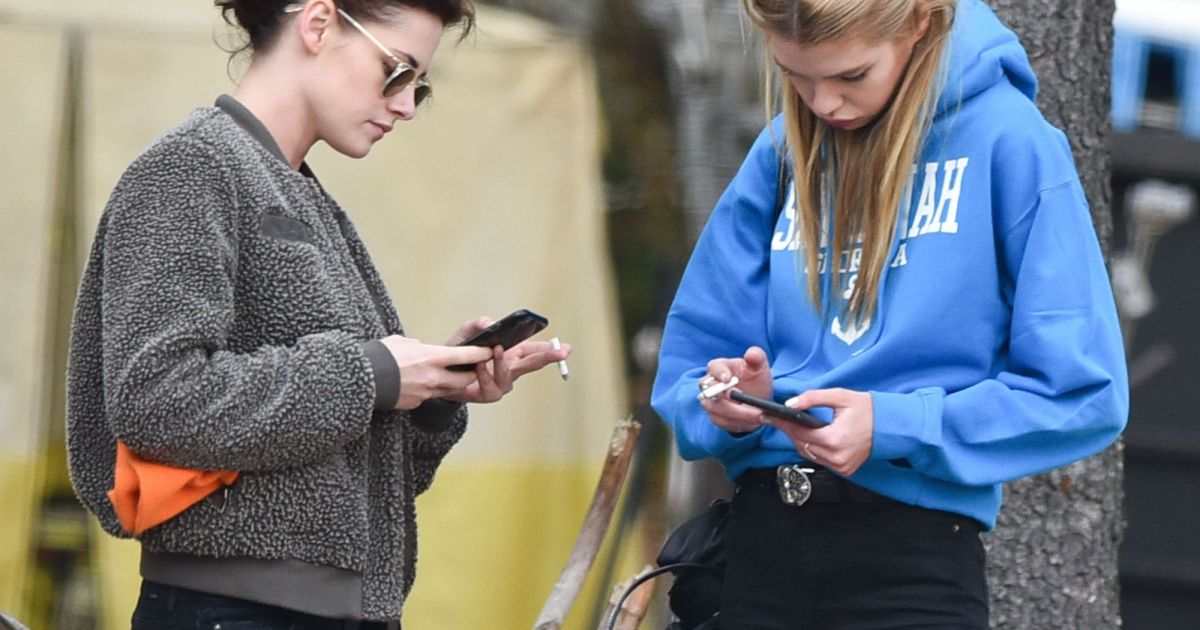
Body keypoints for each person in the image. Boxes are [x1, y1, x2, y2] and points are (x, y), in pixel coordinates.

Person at [65, 0, 570, 627]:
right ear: (319, 23)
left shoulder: (304, 196)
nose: (407, 105)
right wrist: (374, 375)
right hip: (231, 610)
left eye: (422, 86)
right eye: (397, 71)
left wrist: (433, 392)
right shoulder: (191, 167)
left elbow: (337, 472)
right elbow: (157, 402)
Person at [650, 0, 1128, 627]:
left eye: (851, 76)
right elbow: (686, 378)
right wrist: (728, 403)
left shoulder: (1012, 142)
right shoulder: (778, 153)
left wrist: (897, 425)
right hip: (756, 551)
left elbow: (1085, 392)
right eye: (794, 75)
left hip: (913, 567)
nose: (823, 104)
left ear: (921, 23)